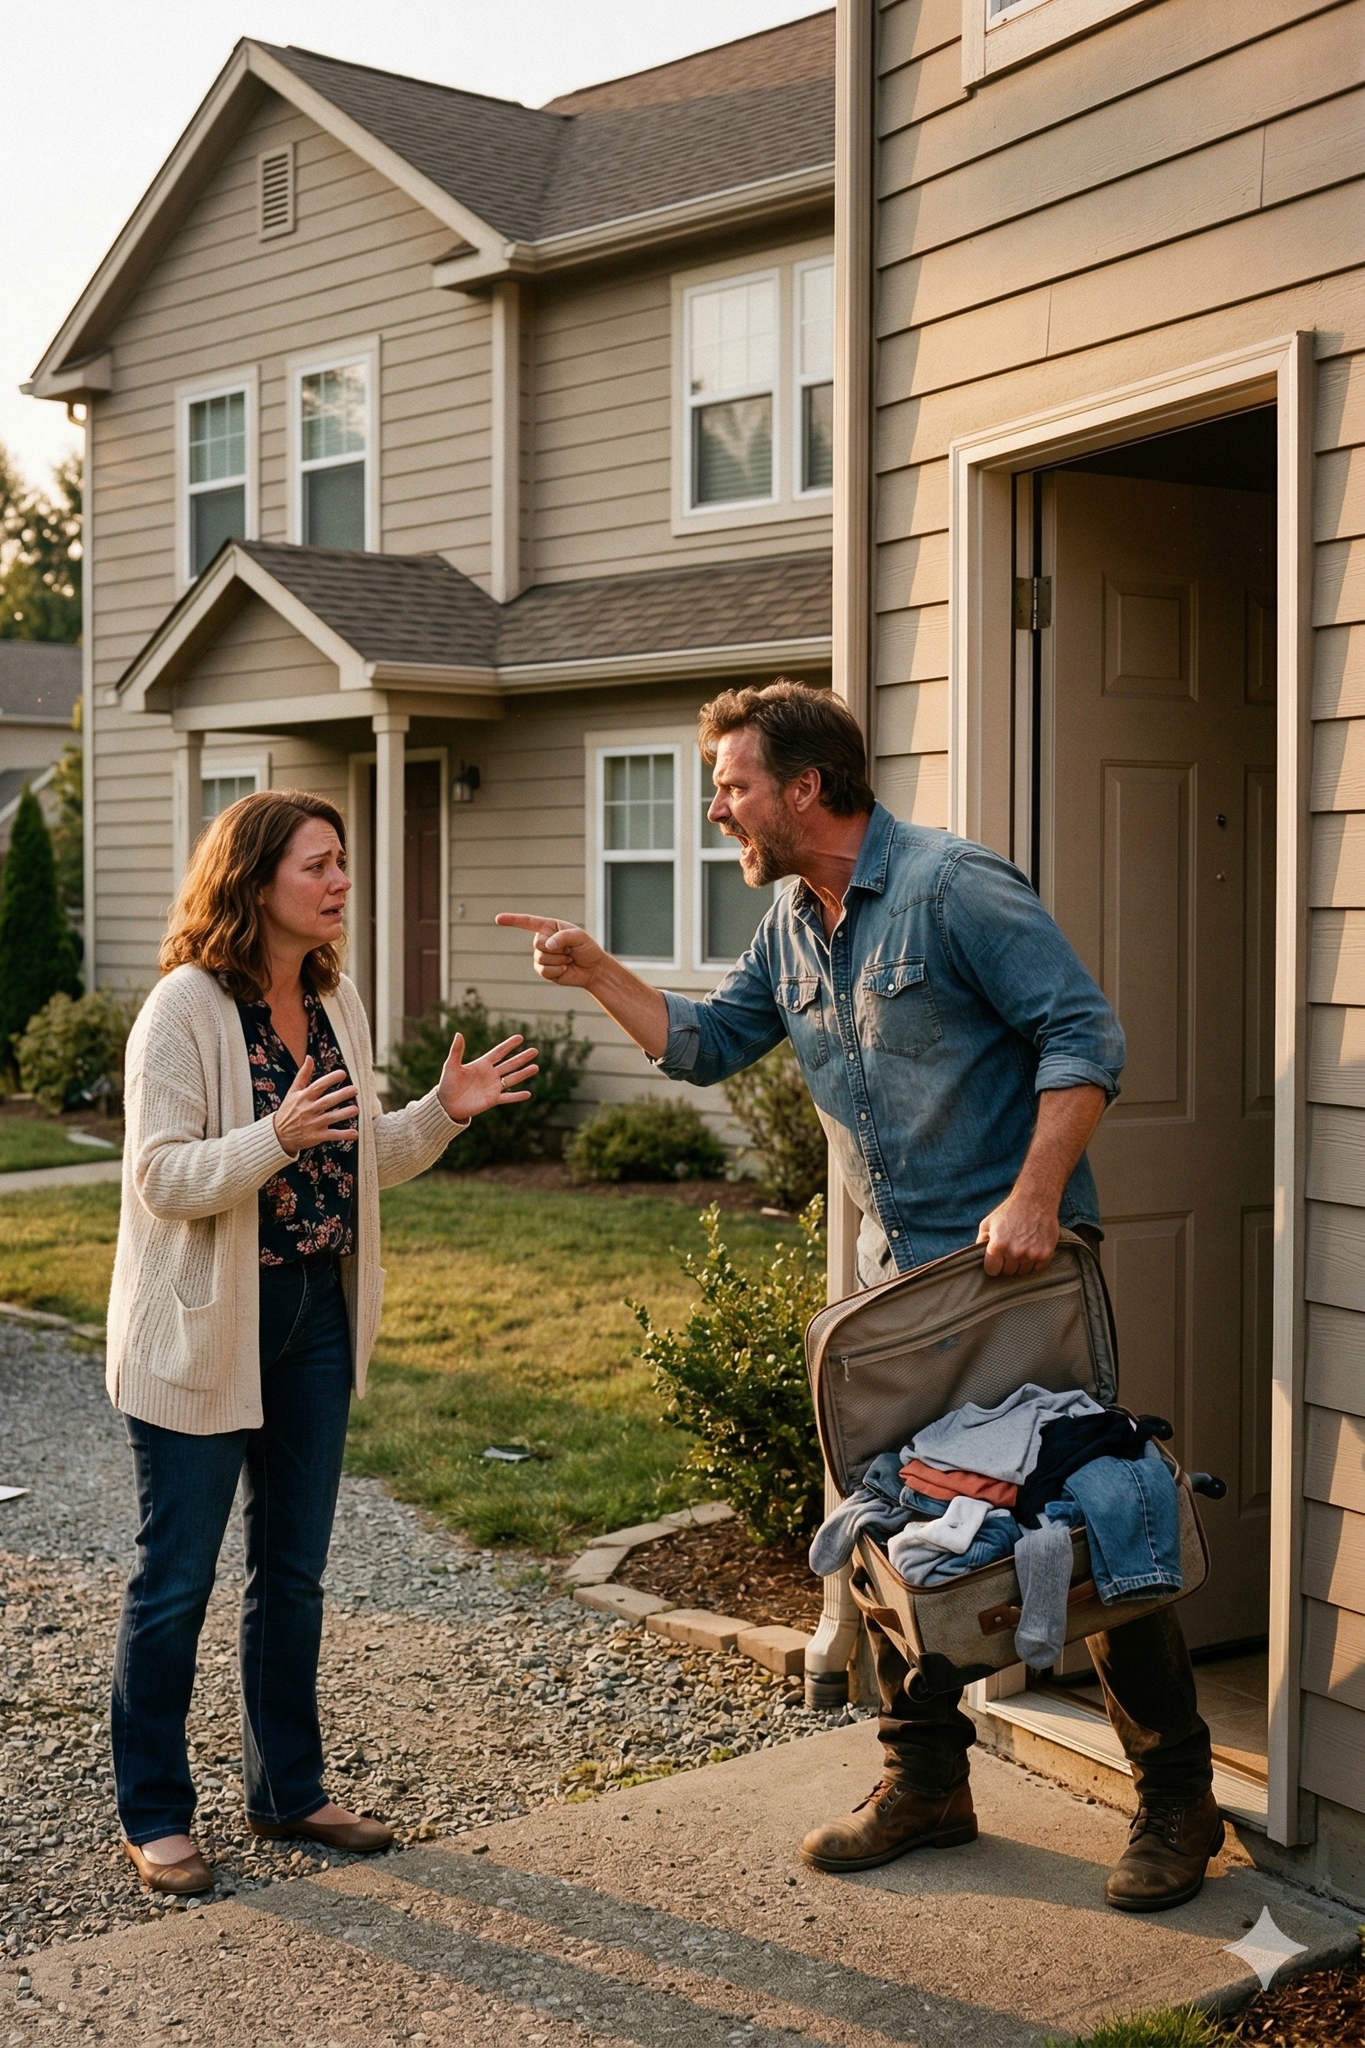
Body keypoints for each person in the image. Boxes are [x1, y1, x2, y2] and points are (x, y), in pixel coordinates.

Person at [498, 680, 1221, 1913]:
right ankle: (927, 1782)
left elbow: (1083, 1036)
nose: (719, 807)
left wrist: (1038, 1193)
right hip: (901, 1287)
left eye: (732, 786)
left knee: (1082, 1510)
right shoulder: (791, 921)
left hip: (1014, 1271)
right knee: (894, 1521)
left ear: (806, 788)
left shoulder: (951, 887)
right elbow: (709, 1042)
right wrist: (595, 968)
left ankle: (1176, 1799)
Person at [108, 789, 537, 1896]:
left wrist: (444, 1109)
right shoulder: (184, 1007)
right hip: (206, 1326)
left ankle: (288, 1789)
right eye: (320, 864)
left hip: (311, 1322)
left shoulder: (333, 1001)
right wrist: (272, 1134)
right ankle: (154, 1812)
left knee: (290, 1574)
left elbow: (358, 1160)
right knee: (177, 1580)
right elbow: (160, 1176)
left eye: (343, 861)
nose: (342, 880)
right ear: (255, 883)